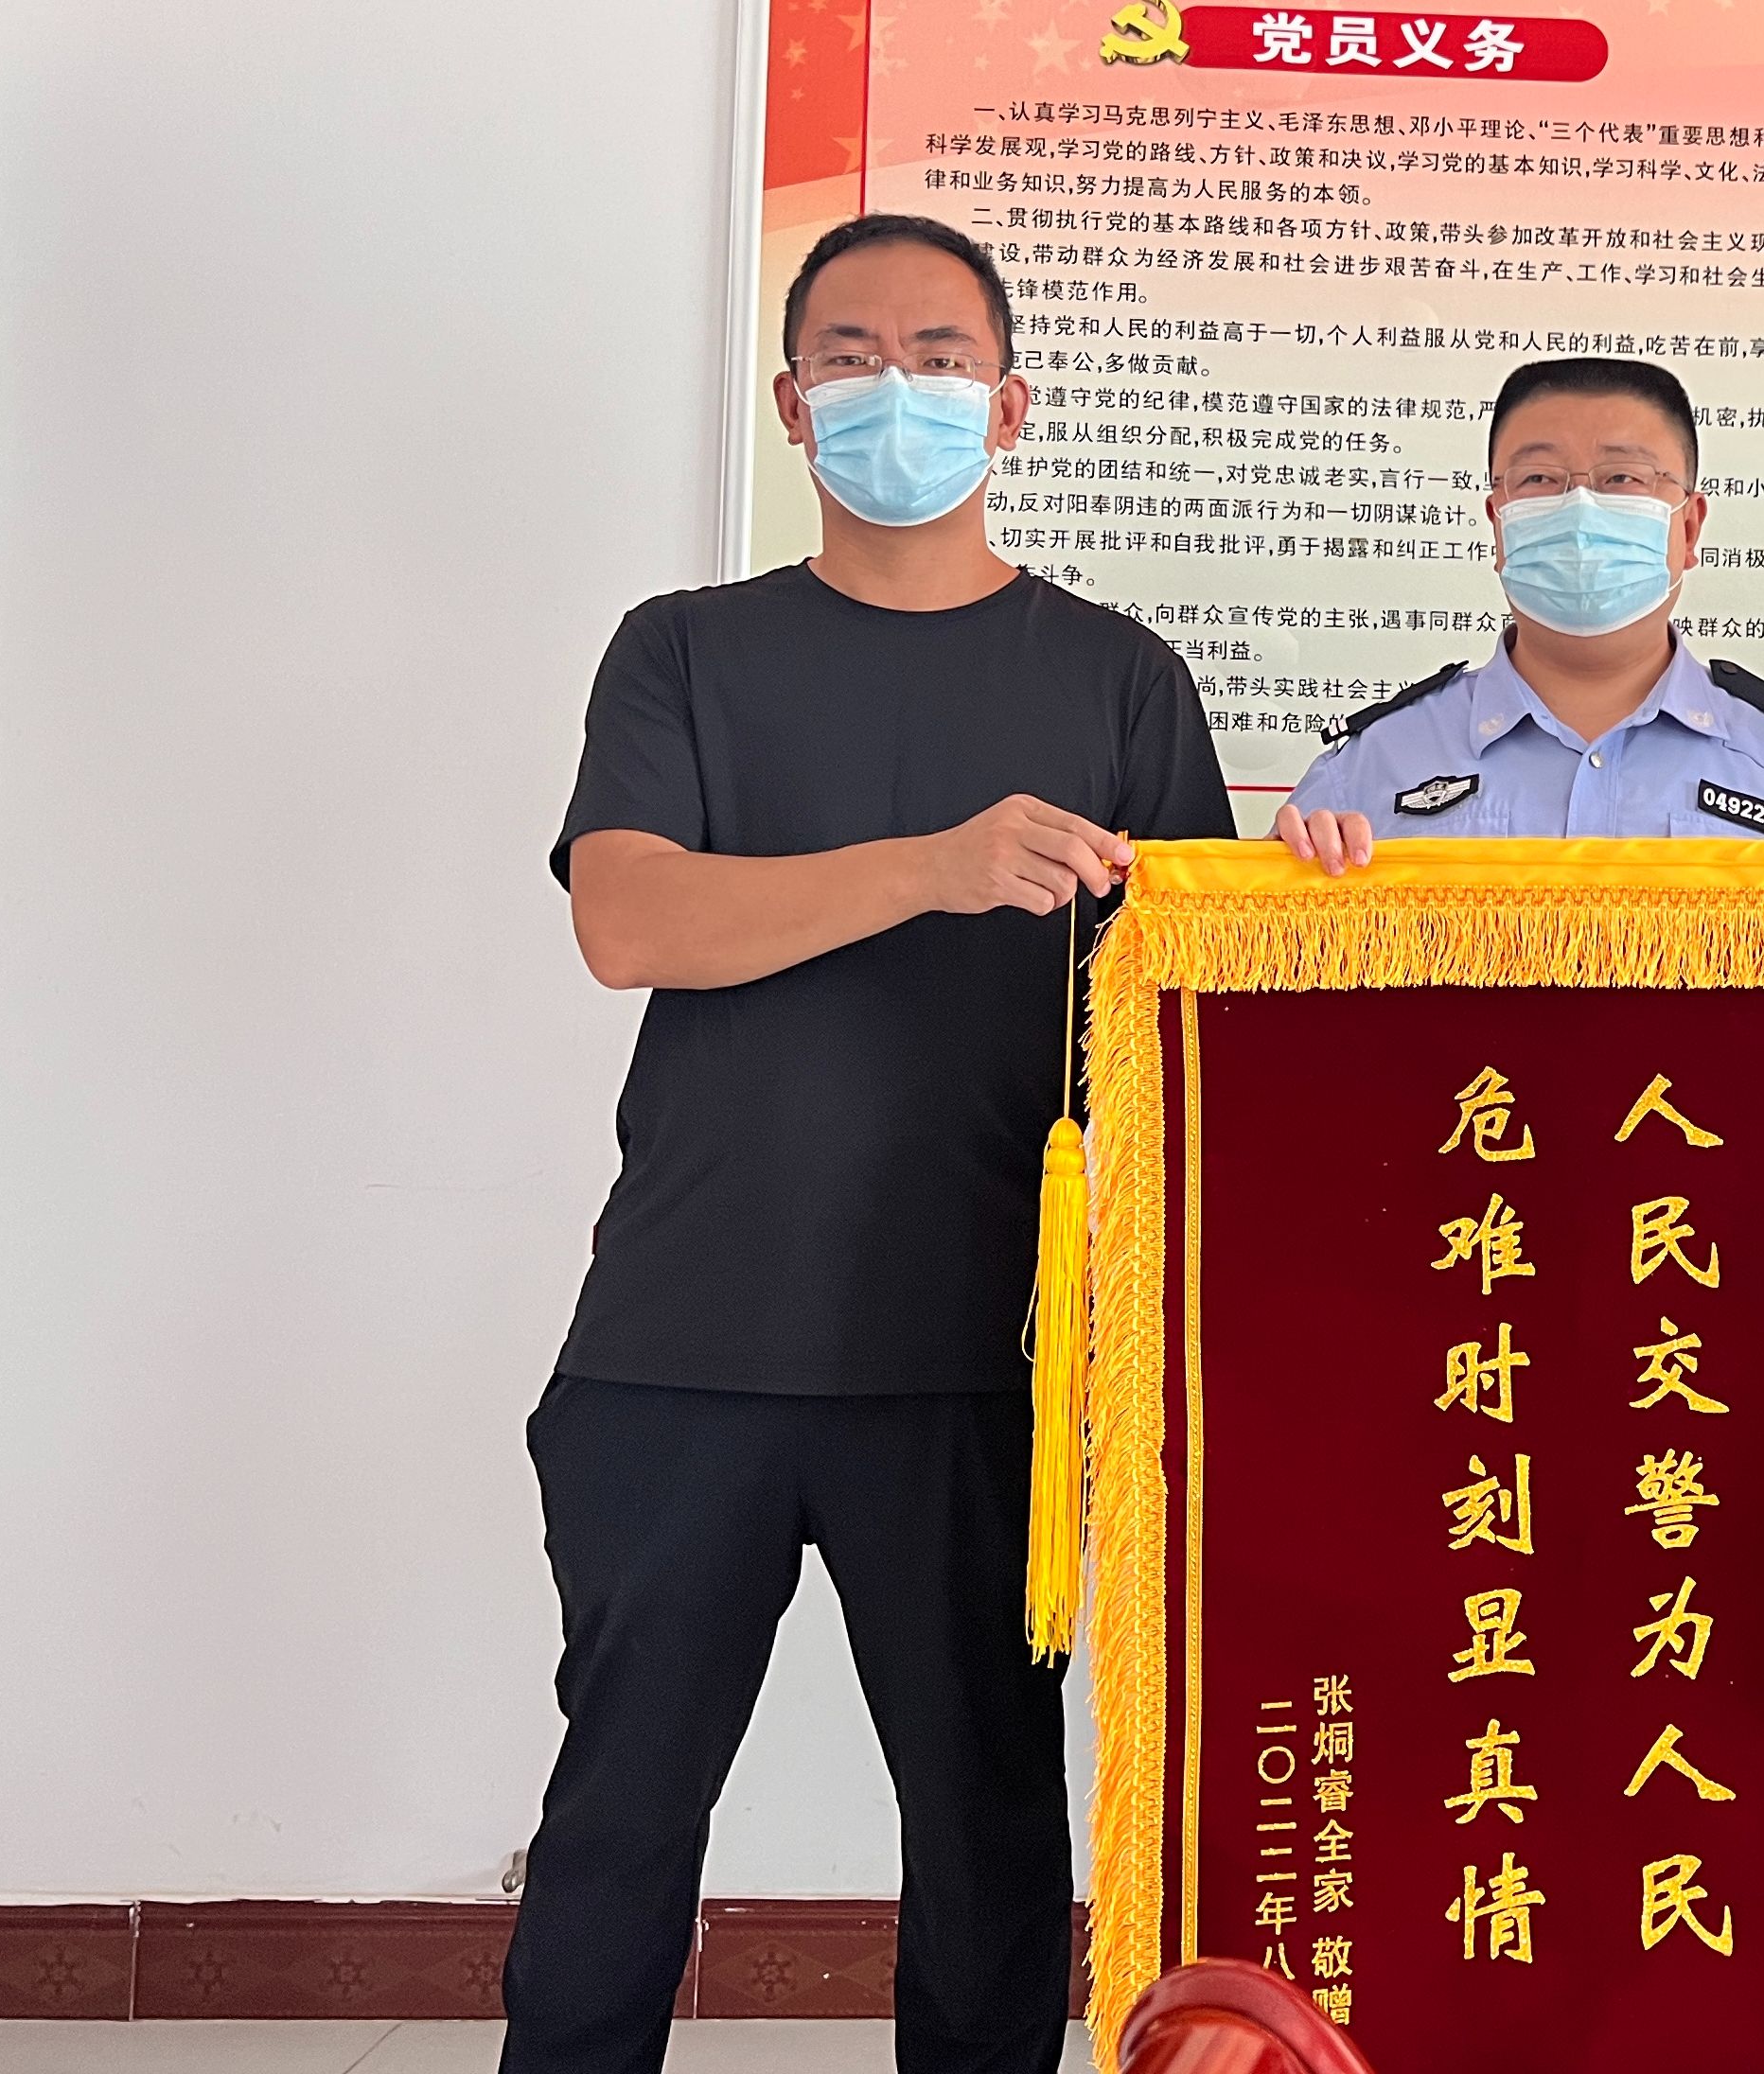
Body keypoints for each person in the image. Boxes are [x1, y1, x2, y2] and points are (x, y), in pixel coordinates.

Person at [507, 214, 1228, 2074]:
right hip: (685, 1338)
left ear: (1010, 404)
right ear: (789, 400)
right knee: (620, 1812)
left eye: (935, 355)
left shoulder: (1117, 679)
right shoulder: (684, 651)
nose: (892, 389)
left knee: (989, 1827)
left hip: (987, 1356)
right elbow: (627, 921)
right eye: (851, 356)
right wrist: (931, 866)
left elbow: (1192, 1022)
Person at [1270, 356, 1764, 865]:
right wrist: (1281, 885)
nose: (1581, 510)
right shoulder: (1368, 766)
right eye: (1539, 478)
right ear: (1499, 526)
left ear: (1688, 528)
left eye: (1623, 477)